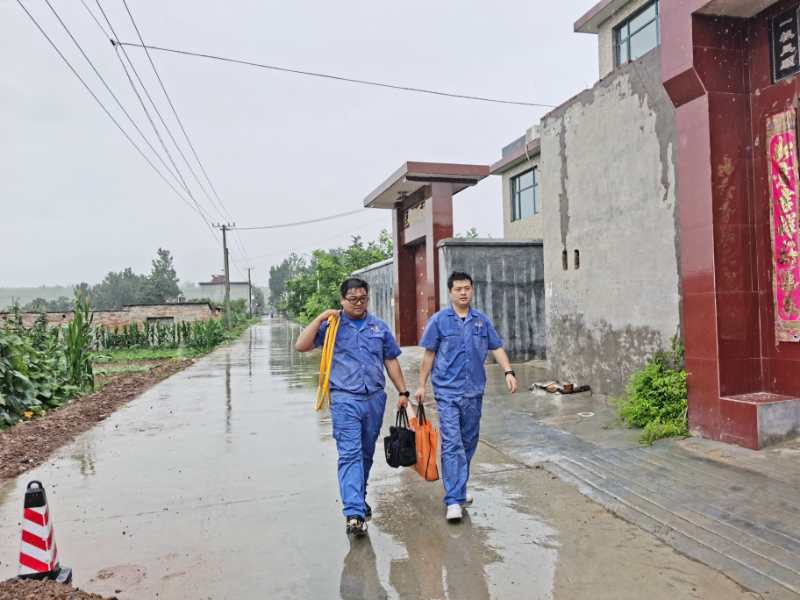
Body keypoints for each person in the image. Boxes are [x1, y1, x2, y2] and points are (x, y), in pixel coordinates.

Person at [296, 277, 410, 537]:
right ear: (342, 300)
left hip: (374, 400)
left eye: (363, 298)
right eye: (353, 299)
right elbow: (301, 345)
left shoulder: (378, 328)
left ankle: (359, 497)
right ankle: (354, 514)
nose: (359, 303)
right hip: (345, 399)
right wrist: (321, 317)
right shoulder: (332, 328)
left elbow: (390, 360)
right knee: (350, 454)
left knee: (366, 454)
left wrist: (403, 391)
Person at [416, 271, 518, 522]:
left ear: (472, 290)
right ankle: (453, 500)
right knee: (452, 443)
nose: (463, 292)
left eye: (467, 288)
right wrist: (421, 385)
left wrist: (508, 371)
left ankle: (459, 489)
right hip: (447, 392)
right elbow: (429, 355)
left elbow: (496, 347)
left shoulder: (481, 321)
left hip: (474, 391)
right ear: (450, 292)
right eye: (458, 289)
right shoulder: (440, 320)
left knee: (469, 442)